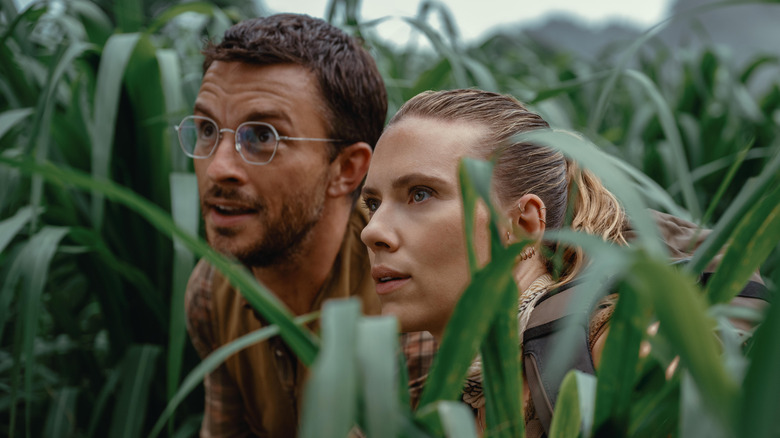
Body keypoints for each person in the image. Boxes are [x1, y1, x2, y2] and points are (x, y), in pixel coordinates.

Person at [181, 14, 434, 437]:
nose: (218, 167)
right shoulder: (212, 290)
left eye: (262, 137)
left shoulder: (410, 311)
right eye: (207, 129)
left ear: (347, 170)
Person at [359, 88, 628, 432]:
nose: (371, 231)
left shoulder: (619, 355)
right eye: (373, 204)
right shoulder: (417, 391)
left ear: (523, 225)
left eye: (420, 194)